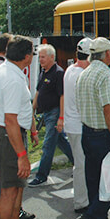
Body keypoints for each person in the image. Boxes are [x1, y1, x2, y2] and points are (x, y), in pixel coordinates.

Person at [73, 37, 110, 219]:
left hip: (87, 132)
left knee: (94, 179)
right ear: (107, 54)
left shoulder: (84, 73)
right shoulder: (105, 75)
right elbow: (108, 108)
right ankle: (90, 218)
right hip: (103, 135)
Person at [0, 36, 40, 219]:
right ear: (27, 56)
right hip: (7, 135)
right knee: (9, 191)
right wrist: (22, 155)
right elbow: (10, 119)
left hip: (3, 134)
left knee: (14, 187)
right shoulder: (11, 78)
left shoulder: (4, 70)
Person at [28, 44, 74, 186]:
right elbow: (38, 92)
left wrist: (61, 118)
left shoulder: (58, 73)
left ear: (52, 57)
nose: (40, 59)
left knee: (48, 144)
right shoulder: (43, 72)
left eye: (43, 57)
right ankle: (79, 164)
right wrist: (33, 108)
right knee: (62, 141)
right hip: (46, 112)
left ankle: (41, 176)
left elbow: (62, 96)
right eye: (39, 57)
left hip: (54, 113)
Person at [61, 38, 92, 213]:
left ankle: (82, 198)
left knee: (80, 164)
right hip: (79, 126)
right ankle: (82, 201)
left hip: (72, 125)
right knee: (82, 165)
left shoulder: (70, 70)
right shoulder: (81, 75)